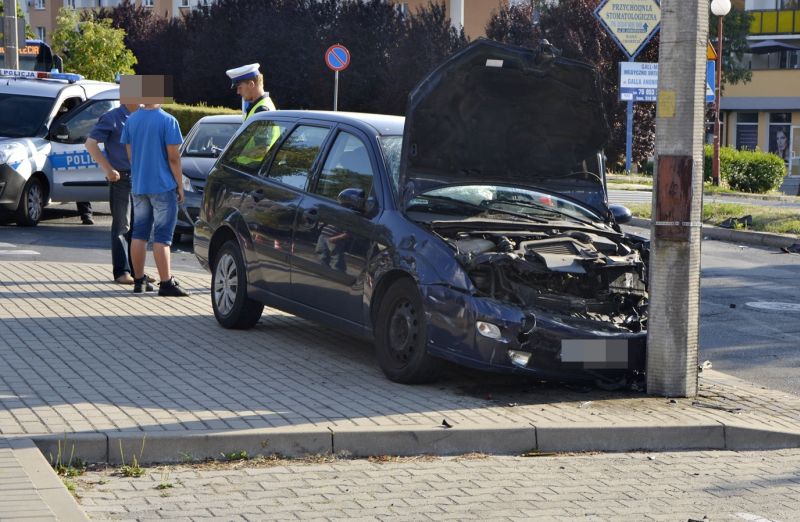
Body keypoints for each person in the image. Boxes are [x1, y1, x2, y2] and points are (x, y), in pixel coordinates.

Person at [121, 102, 189, 297]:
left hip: (139, 185)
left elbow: (130, 155)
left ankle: (139, 281)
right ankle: (166, 282)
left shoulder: (132, 120)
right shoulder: (168, 121)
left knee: (139, 234)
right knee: (163, 237)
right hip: (162, 186)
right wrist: (180, 185)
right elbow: (174, 158)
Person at [85, 102, 150, 285]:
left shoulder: (144, 115)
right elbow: (90, 143)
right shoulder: (112, 117)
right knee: (123, 226)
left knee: (138, 226)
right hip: (121, 178)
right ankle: (122, 272)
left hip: (141, 177)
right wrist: (108, 169)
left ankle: (138, 272)